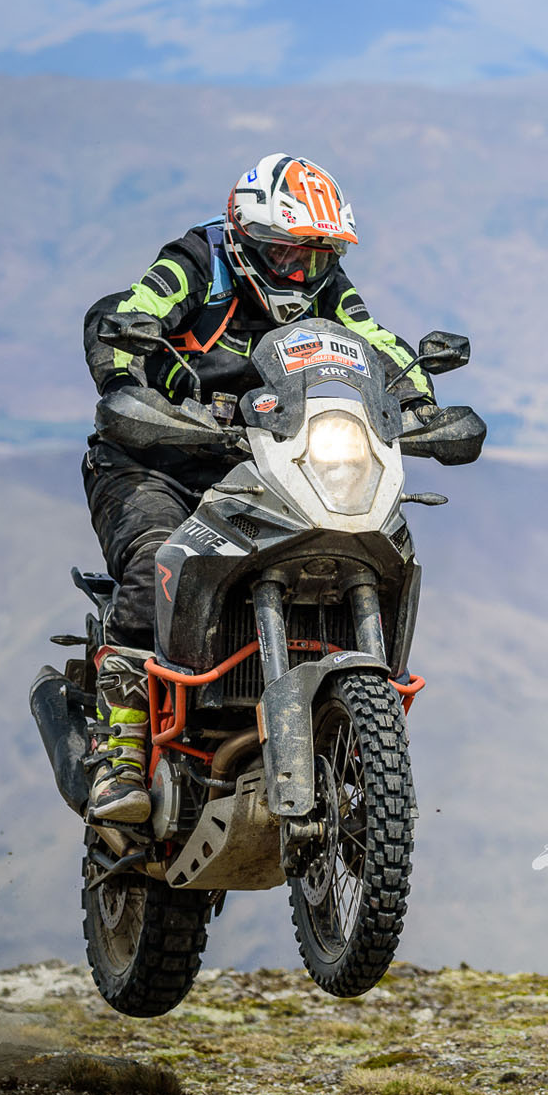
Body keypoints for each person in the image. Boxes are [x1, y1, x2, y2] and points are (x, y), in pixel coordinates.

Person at [79, 155, 432, 822]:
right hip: (156, 461)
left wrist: (419, 398)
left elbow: (373, 340)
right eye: (287, 255)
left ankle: (354, 746)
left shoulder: (329, 287)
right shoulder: (195, 261)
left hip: (260, 465)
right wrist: (125, 382)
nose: (301, 273)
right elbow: (128, 315)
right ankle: (118, 756)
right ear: (245, 240)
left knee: (367, 534)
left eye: (317, 257)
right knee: (154, 560)